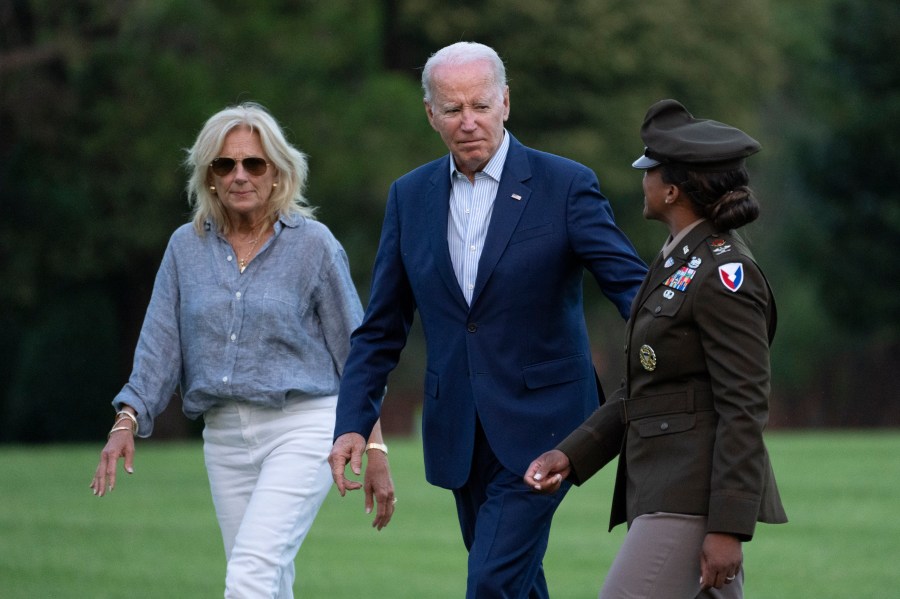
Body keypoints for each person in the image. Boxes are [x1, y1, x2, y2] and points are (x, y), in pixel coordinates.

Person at [328, 42, 647, 598]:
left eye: (480, 105)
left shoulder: (565, 186)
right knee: (517, 585)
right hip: (459, 431)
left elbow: (633, 290)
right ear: (431, 114)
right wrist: (353, 422)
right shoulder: (409, 198)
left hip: (548, 426)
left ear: (505, 101)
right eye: (452, 110)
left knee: (492, 583)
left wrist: (684, 344)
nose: (468, 122)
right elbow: (381, 328)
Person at [90, 102, 395, 598]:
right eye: (224, 164)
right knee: (267, 580)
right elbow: (159, 346)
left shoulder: (314, 245)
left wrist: (374, 445)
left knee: (249, 575)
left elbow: (358, 352)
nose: (239, 175)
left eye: (254, 163)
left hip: (304, 427)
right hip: (224, 437)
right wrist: (126, 419)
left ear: (277, 173)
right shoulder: (183, 248)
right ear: (208, 176)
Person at [525, 99, 788, 598]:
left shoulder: (725, 275)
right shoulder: (676, 263)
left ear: (670, 190)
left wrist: (728, 526)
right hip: (663, 484)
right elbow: (645, 390)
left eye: (649, 170)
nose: (641, 179)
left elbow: (744, 406)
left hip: (690, 495)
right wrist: (571, 454)